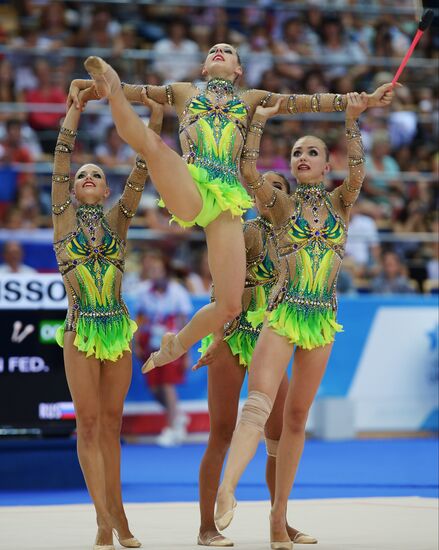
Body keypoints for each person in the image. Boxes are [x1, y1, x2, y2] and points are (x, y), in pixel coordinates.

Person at [67, 45, 394, 376]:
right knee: (152, 146)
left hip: (227, 205)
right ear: (204, 67)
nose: (220, 51)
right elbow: (130, 91)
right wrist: (96, 85)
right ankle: (109, 70)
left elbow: (303, 101)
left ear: (238, 70)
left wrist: (362, 100)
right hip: (191, 185)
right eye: (214, 51)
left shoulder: (252, 99)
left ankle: (174, 347)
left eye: (228, 51)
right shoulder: (183, 92)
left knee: (229, 305)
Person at [214, 91, 370, 550]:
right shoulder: (280, 207)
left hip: (322, 319)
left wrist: (352, 120)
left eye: (312, 152)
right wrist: (258, 123)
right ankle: (228, 487)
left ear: (327, 165)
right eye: (297, 152)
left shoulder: (343, 202)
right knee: (258, 405)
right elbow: (246, 173)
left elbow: (359, 171)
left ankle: (278, 521)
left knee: (297, 419)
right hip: (283, 312)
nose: (302, 157)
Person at [52, 87, 163, 550]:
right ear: (74, 189)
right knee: (90, 424)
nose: (90, 177)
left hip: (117, 330)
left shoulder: (118, 221)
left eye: (98, 173)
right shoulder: (63, 219)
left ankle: (118, 512)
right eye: (84, 175)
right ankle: (102, 518)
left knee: (114, 425)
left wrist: (154, 125)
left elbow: (140, 174)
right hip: (81, 330)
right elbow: (60, 161)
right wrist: (73, 113)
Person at [194, 172, 317, 547]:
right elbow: (220, 287)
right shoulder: (245, 232)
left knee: (277, 437)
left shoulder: (297, 236)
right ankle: (206, 527)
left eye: (278, 186)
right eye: (264, 186)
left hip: (271, 337)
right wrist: (216, 337)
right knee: (222, 432)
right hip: (233, 336)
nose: (270, 191)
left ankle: (279, 522)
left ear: (288, 196)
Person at [134, 250, 192, 447]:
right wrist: (135, 343)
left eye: (157, 269)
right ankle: (178, 415)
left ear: (166, 271)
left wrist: (186, 352)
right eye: (151, 269)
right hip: (149, 342)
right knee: (154, 387)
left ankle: (172, 427)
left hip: (171, 342)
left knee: (167, 383)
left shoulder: (178, 292)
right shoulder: (143, 291)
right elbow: (139, 318)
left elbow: (185, 324)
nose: (154, 273)